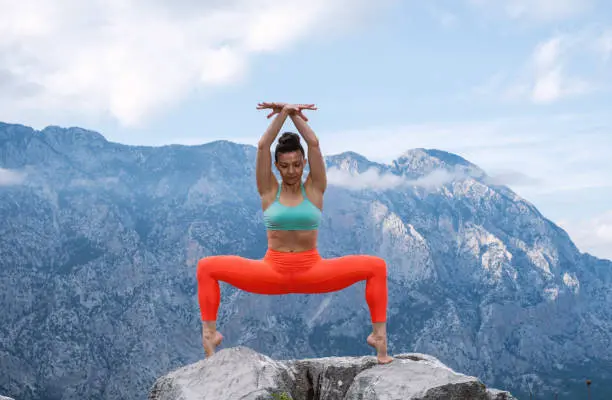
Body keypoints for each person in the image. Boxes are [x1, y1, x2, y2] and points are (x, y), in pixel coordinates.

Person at [196, 102, 393, 364]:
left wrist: (292, 113)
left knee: (376, 267)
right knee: (206, 267)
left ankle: (379, 339)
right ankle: (210, 335)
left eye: (297, 165)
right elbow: (263, 146)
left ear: (303, 164)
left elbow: (313, 143)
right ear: (277, 166)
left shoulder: (315, 189)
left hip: (312, 270)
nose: (292, 171)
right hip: (272, 271)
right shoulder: (268, 190)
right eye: (285, 165)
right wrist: (282, 116)